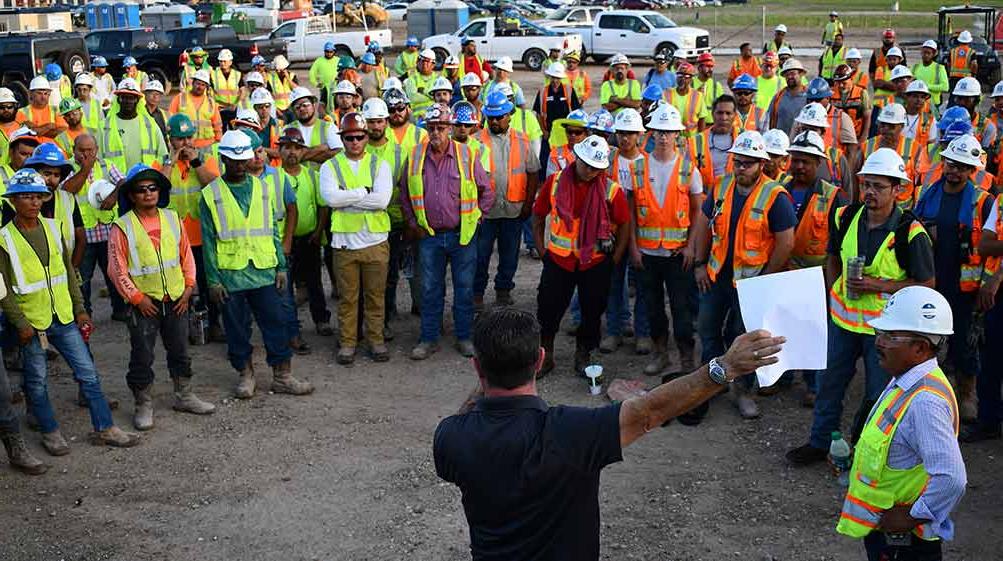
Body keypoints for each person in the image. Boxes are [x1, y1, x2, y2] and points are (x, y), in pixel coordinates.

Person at [434, 307, 784, 561]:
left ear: (476, 367)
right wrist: (724, 367)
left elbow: (475, 411)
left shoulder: (450, 438)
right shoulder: (573, 432)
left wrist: (489, 374)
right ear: (540, 360)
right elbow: (651, 410)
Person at [787, 148, 935, 466]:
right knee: (829, 386)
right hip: (843, 322)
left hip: (884, 332)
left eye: (879, 186)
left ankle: (862, 452)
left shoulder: (910, 232)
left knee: (877, 396)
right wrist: (831, 291)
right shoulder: (844, 216)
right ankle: (819, 442)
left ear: (898, 189)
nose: (870, 192)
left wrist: (877, 286)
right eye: (867, 184)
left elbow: (927, 285)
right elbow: (832, 256)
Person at [0, 168, 140, 454]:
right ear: (14, 201)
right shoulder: (4, 239)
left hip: (63, 316)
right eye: (26, 197)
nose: (34, 203)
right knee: (36, 382)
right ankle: (50, 432)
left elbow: (68, 271)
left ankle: (105, 427)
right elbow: (3, 289)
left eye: (38, 197)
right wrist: (20, 323)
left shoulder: (52, 228)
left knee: (88, 373)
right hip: (33, 322)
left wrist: (80, 309)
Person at [835, 286, 966, 561]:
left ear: (920, 347)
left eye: (890, 336)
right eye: (879, 334)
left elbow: (952, 478)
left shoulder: (925, 401)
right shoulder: (905, 380)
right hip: (888, 536)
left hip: (904, 544)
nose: (878, 342)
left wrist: (912, 516)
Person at [200, 130, 313, 398]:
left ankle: (282, 376)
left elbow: (272, 229)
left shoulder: (263, 188)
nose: (241, 165)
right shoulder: (210, 195)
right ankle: (246, 374)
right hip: (231, 275)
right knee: (237, 329)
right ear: (223, 158)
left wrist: (281, 265)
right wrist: (213, 281)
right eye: (234, 160)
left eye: (244, 159)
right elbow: (208, 241)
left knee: (276, 324)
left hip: (264, 270)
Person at [691, 130, 796, 421]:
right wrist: (700, 263)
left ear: (761, 164)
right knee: (707, 330)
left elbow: (786, 242)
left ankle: (743, 390)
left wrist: (765, 280)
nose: (741, 168)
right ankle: (710, 386)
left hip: (750, 284)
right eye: (738, 161)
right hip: (716, 277)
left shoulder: (775, 196)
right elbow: (703, 224)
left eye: (748, 163)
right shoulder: (721, 186)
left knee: (744, 339)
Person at [109, 163, 215, 430]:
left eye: (153, 188)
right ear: (131, 195)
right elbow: (117, 268)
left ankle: (184, 395)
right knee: (142, 355)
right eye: (141, 190)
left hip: (177, 299)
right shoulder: (122, 226)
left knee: (180, 350)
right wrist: (136, 298)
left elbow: (186, 257)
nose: (148, 194)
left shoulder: (172, 218)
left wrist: (189, 288)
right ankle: (143, 403)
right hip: (144, 304)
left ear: (160, 191)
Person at [532, 135, 630, 375]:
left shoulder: (611, 190)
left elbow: (625, 224)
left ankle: (583, 354)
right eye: (586, 164)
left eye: (596, 168)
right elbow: (538, 215)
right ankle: (547, 355)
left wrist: (615, 258)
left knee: (592, 312)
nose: (590, 171)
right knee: (548, 310)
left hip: (595, 263)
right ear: (576, 158)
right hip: (558, 260)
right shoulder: (554, 183)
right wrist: (542, 249)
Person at [401, 103, 492, 360]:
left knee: (464, 289)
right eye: (431, 128)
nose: (436, 133)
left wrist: (477, 219)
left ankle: (463, 337)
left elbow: (486, 191)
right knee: (430, 288)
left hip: (461, 234)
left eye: (441, 127)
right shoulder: (416, 155)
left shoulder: (467, 154)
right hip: (429, 235)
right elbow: (405, 193)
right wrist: (412, 222)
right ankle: (428, 338)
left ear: (450, 128)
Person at [913, 134, 992, 425]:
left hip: (965, 288)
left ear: (972, 171)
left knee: (963, 343)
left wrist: (988, 283)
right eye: (951, 164)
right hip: (932, 280)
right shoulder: (929, 194)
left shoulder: (983, 202)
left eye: (961, 166)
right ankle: (927, 392)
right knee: (927, 339)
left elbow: (993, 247)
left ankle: (966, 393)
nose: (954, 171)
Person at [630, 104, 702, 375]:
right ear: (651, 133)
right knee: (653, 308)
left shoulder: (688, 170)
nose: (663, 137)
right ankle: (661, 353)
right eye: (659, 131)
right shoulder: (639, 168)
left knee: (682, 309)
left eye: (668, 132)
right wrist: (634, 248)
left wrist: (690, 246)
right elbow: (632, 212)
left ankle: (685, 356)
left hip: (676, 255)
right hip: (648, 254)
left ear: (677, 136)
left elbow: (698, 212)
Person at [319, 112, 392, 364]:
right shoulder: (330, 167)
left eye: (359, 137)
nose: (354, 142)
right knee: (348, 299)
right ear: (342, 138)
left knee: (375, 296)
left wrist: (347, 198)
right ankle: (348, 342)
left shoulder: (379, 165)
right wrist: (364, 192)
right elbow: (331, 199)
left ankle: (376, 341)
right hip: (344, 244)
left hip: (375, 242)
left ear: (366, 137)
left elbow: (382, 200)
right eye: (349, 138)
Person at [474, 92, 539, 310]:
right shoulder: (476, 141)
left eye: (498, 117)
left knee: (509, 256)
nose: (494, 121)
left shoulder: (522, 140)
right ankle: (477, 295)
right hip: (485, 213)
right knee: (480, 257)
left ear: (509, 115)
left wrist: (528, 205)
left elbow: (532, 173)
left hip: (513, 210)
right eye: (490, 117)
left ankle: (503, 291)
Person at [59, 133, 129, 321]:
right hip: (84, 234)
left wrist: (114, 194)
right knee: (84, 277)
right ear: (74, 151)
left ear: (97, 150)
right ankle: (85, 313)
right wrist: (86, 168)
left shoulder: (105, 165)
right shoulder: (68, 168)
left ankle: (120, 309)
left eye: (90, 150)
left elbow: (123, 181)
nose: (87, 154)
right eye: (82, 151)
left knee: (114, 273)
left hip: (107, 230)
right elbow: (68, 189)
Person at [363, 97, 414, 336]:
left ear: (386, 122)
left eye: (379, 121)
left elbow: (407, 186)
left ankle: (387, 315)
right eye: (370, 122)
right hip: (368, 222)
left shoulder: (398, 149)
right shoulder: (357, 150)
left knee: (391, 272)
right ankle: (380, 320)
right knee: (376, 276)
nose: (375, 126)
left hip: (395, 219)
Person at [278, 127, 331, 337]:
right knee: (285, 285)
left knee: (314, 281)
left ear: (304, 151)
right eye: (287, 148)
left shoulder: (312, 175)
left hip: (309, 238)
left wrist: (318, 232)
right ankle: (291, 328)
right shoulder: (274, 177)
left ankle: (321, 319)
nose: (292, 152)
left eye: (297, 148)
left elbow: (322, 206)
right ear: (279, 150)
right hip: (284, 241)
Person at [97, 78, 168, 179]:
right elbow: (98, 159)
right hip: (114, 184)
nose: (128, 101)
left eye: (132, 98)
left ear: (138, 100)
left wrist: (151, 175)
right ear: (118, 99)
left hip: (145, 182)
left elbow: (162, 155)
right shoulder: (104, 126)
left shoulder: (150, 125)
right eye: (124, 97)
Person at [860, 104, 927, 208]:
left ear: (902, 126)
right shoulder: (867, 146)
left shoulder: (915, 148)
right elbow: (856, 179)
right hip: (872, 207)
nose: (885, 129)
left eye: (891, 127)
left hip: (902, 209)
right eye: (882, 125)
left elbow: (919, 182)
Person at [169, 69, 222, 150]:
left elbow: (217, 124)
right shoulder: (180, 98)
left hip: (208, 145)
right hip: (186, 145)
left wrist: (218, 140)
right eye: (198, 83)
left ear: (206, 87)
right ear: (192, 83)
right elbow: (171, 120)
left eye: (203, 85)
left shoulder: (211, 102)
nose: (199, 87)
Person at [288, 87, 342, 165]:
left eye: (305, 105)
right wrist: (320, 148)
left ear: (313, 105)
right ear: (293, 111)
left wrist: (301, 156)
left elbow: (339, 153)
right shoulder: (288, 129)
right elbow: (287, 158)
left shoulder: (329, 127)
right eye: (297, 107)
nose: (302, 109)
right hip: (298, 177)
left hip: (323, 176)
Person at [951, 77, 997, 150]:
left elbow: (986, 156)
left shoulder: (987, 126)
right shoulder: (948, 121)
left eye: (967, 99)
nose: (962, 102)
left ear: (977, 100)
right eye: (959, 98)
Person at [832, 64, 872, 146]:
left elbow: (867, 117)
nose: (840, 86)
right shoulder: (831, 93)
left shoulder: (861, 93)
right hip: (836, 137)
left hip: (855, 137)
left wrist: (862, 139)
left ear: (851, 79)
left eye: (844, 83)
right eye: (838, 83)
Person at [665, 62, 707, 136]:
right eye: (680, 75)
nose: (683, 79)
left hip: (691, 139)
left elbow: (702, 120)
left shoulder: (698, 96)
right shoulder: (666, 94)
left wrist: (701, 138)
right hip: (672, 138)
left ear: (691, 79)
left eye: (687, 76)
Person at [768, 58, 807, 135]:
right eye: (787, 75)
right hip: (780, 143)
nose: (789, 77)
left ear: (801, 74)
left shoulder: (809, 97)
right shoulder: (778, 97)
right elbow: (768, 121)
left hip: (801, 144)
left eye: (792, 73)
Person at [912, 40, 949, 108]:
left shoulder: (939, 68)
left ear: (934, 54)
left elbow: (945, 87)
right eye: (924, 53)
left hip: (933, 105)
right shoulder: (915, 67)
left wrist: (927, 86)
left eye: (928, 53)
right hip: (917, 104)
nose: (925, 55)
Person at [403, 49, 440, 118]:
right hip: (417, 117)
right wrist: (432, 96)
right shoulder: (412, 79)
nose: (424, 64)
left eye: (428, 61)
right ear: (418, 62)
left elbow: (440, 98)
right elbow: (413, 98)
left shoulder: (438, 79)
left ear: (433, 64)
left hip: (435, 116)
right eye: (422, 60)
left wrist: (423, 92)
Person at [211, 49, 242, 129]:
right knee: (221, 130)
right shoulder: (213, 74)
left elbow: (243, 91)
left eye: (224, 61)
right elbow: (209, 92)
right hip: (219, 109)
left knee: (234, 131)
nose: (222, 63)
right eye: (220, 61)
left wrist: (237, 104)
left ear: (230, 62)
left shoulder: (237, 74)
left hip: (233, 109)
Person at [903, 81, 938, 147]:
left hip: (920, 156)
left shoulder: (930, 120)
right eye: (915, 96)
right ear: (907, 97)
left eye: (922, 97)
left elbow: (931, 144)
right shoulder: (898, 115)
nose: (919, 100)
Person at [694, 53, 724, 125]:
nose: (710, 69)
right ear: (699, 68)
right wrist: (695, 95)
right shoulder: (690, 83)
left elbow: (723, 106)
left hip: (712, 125)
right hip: (694, 126)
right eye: (707, 66)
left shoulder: (717, 86)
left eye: (711, 66)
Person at [309, 42, 340, 107]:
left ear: (334, 52)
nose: (329, 53)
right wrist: (316, 83)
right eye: (327, 51)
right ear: (324, 51)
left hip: (336, 87)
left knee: (337, 106)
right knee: (324, 106)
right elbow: (312, 73)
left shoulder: (338, 60)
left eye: (330, 52)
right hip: (324, 88)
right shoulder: (319, 60)